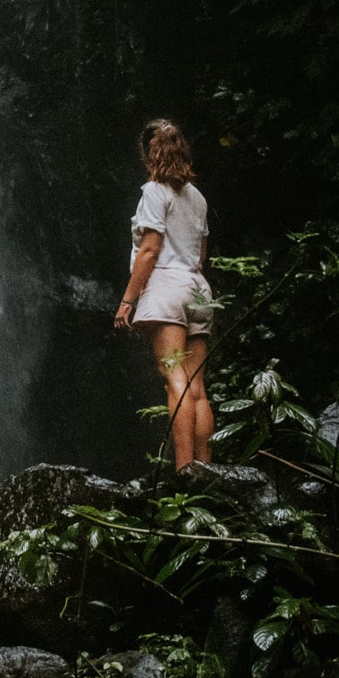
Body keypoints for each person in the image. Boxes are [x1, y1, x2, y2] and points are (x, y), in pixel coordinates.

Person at [113, 118, 215, 469]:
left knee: (175, 381)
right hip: (198, 290)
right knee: (197, 386)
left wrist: (128, 299)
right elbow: (201, 254)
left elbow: (150, 250)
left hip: (167, 288)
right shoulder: (197, 199)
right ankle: (206, 469)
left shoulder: (154, 193)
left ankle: (185, 470)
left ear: (148, 155)